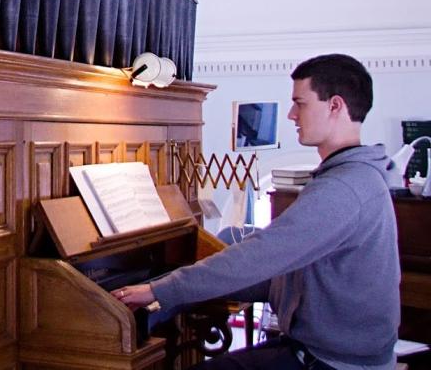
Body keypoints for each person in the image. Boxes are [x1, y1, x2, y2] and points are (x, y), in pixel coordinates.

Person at [113, 54, 399, 370]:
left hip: (331, 362)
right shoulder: (352, 175)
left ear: (335, 106)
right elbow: (278, 276)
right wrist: (173, 289)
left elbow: (259, 258)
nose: (291, 114)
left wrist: (158, 289)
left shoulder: (344, 187)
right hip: (320, 350)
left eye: (299, 103)